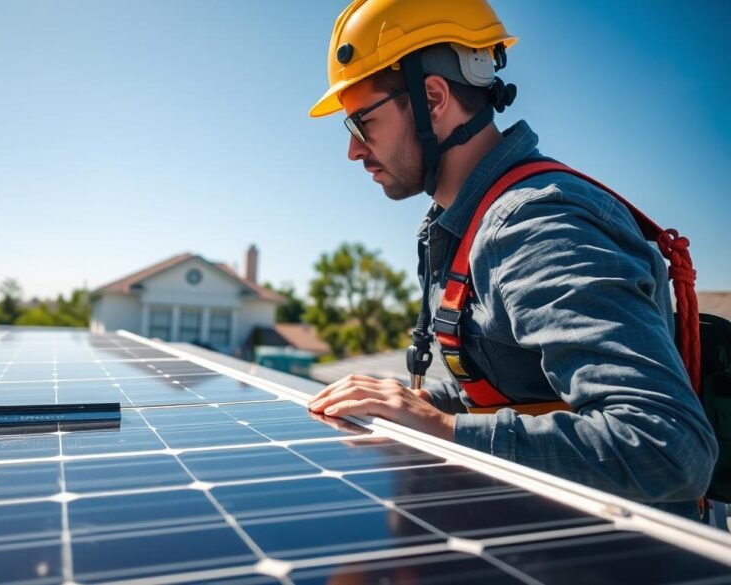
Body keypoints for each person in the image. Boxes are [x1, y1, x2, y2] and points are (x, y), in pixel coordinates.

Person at [306, 0, 717, 520]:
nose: (353, 151)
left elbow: (666, 447)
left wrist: (442, 430)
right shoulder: (459, 224)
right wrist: (425, 404)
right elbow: (512, 386)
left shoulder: (535, 227)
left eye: (362, 124)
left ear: (433, 98)